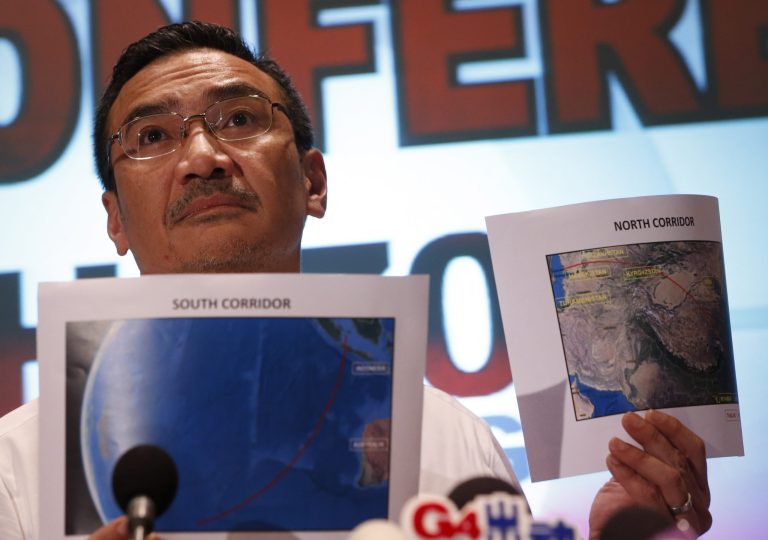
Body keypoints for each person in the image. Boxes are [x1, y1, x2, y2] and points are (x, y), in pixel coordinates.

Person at [0, 21, 711, 540]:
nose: (203, 156)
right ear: (115, 221)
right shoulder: (16, 467)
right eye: (152, 136)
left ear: (313, 181)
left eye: (240, 119)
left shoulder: (448, 439)